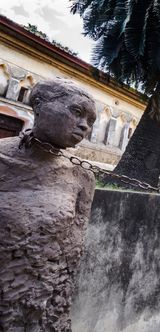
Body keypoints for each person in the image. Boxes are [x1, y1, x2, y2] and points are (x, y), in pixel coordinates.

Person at [0, 78, 97, 331]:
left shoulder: (82, 176)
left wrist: (56, 312)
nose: (84, 126)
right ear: (39, 105)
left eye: (91, 121)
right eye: (76, 112)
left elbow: (72, 256)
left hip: (41, 307)